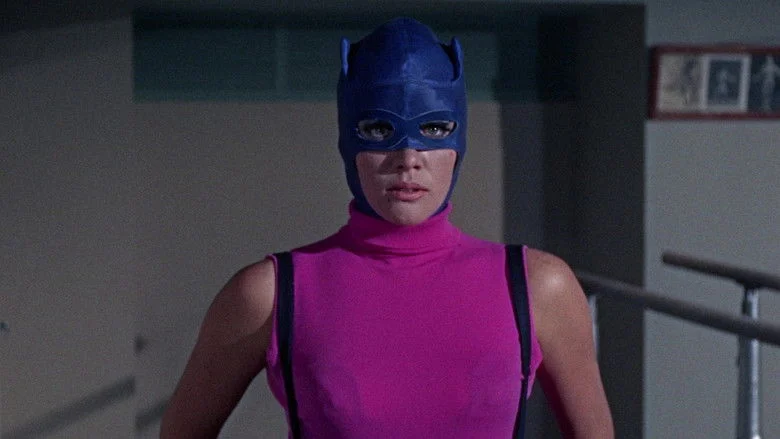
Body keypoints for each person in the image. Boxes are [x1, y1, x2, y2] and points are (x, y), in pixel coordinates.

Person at [160, 17, 613, 439]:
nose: (408, 159)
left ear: (459, 143)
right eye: (380, 130)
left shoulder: (540, 287)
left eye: (434, 129)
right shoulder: (268, 294)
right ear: (347, 141)